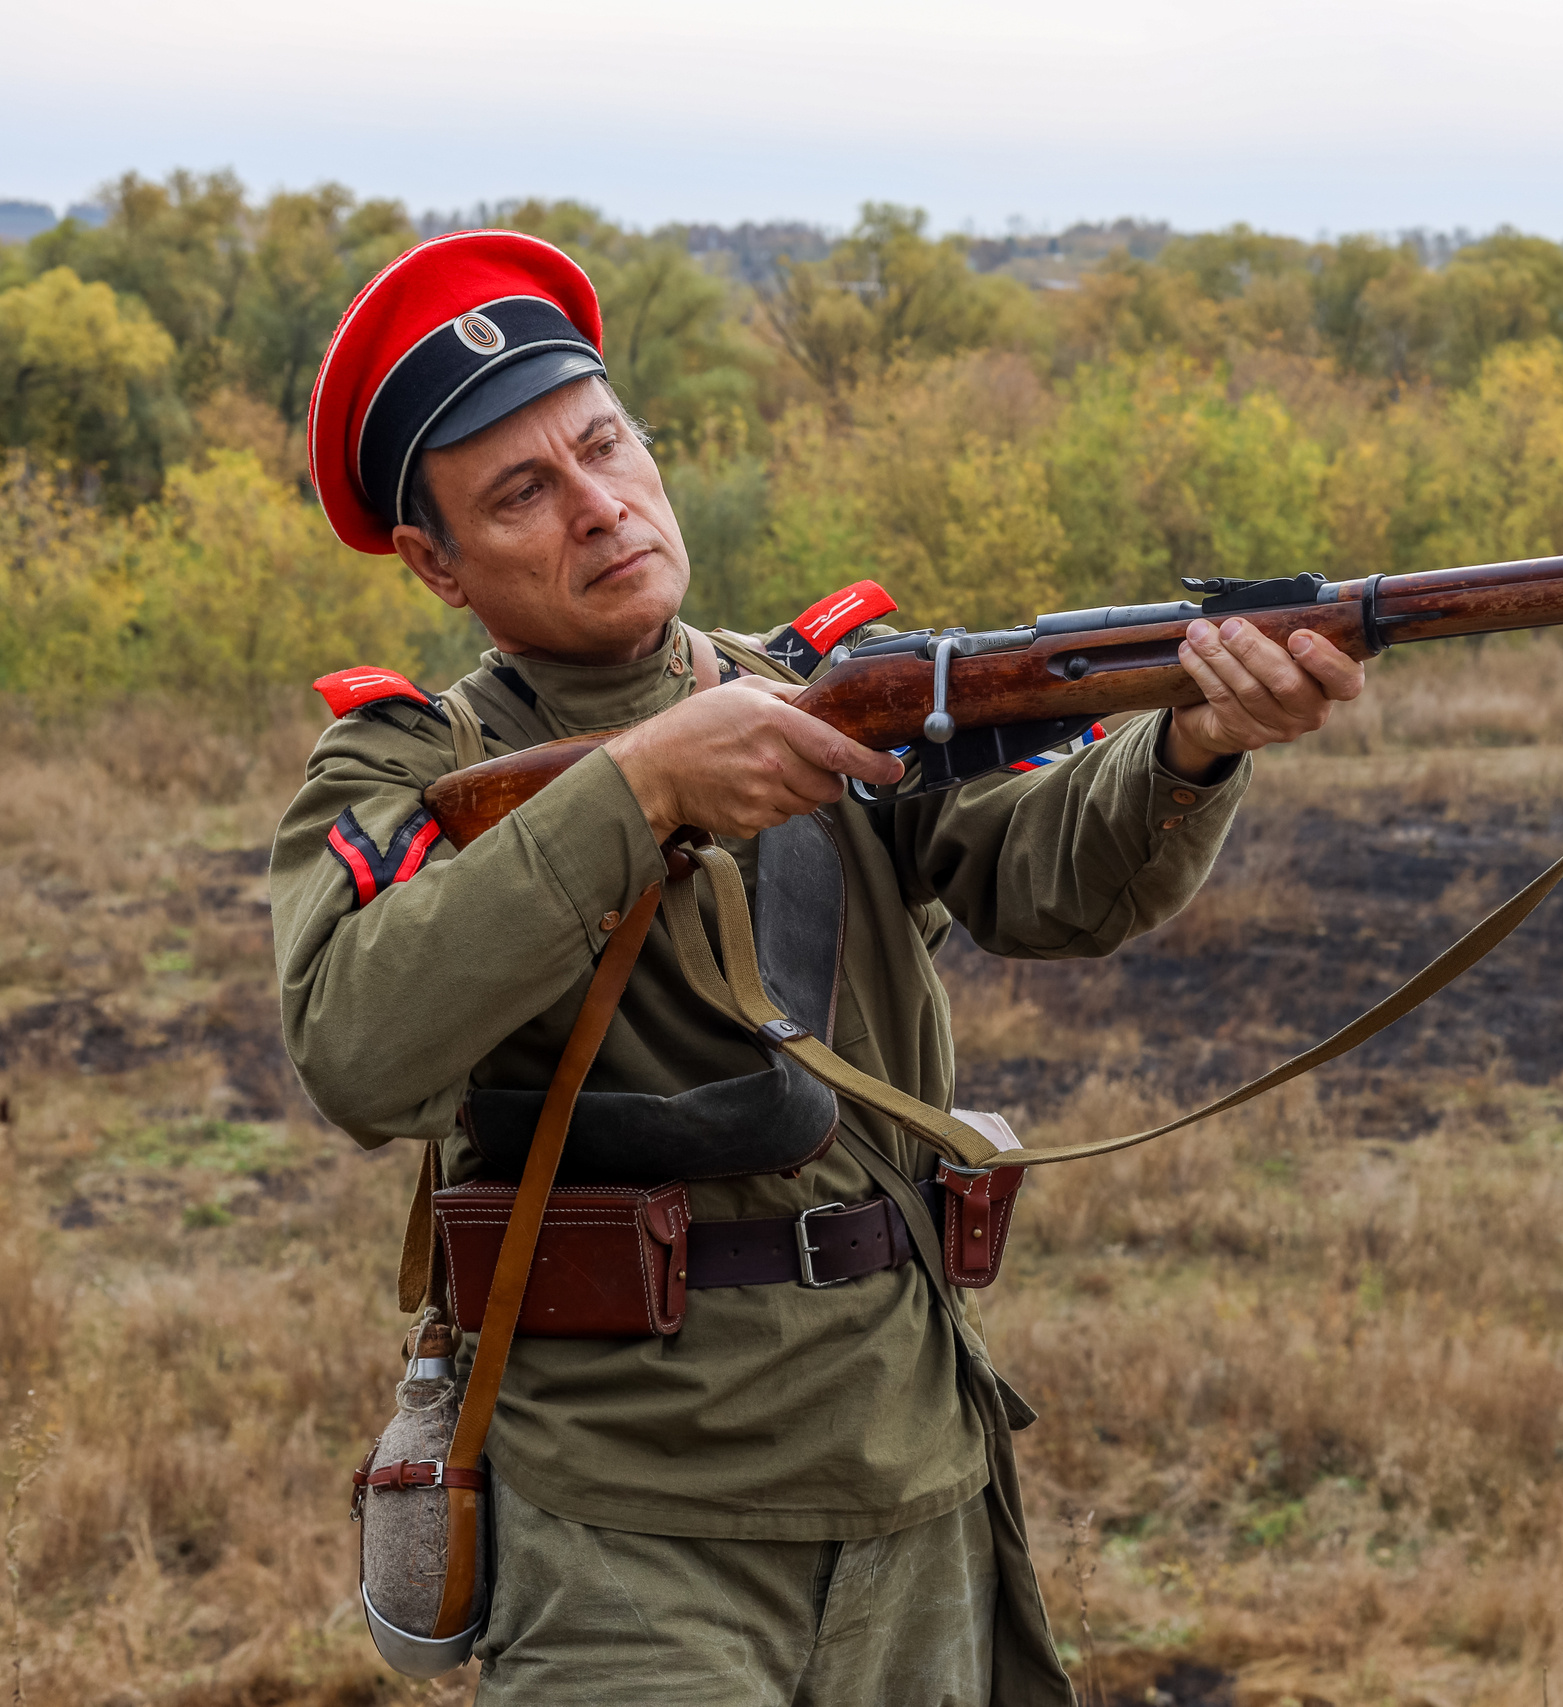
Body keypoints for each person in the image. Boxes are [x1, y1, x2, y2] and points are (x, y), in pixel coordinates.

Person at [275, 229, 1363, 1705]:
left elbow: (1050, 882)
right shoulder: (411, 761)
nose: (600, 509)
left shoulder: (827, 691)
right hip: (626, 1522)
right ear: (433, 563)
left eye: (607, 448)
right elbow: (357, 1048)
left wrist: (1196, 741)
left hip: (906, 1465)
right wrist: (642, 791)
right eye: (524, 493)